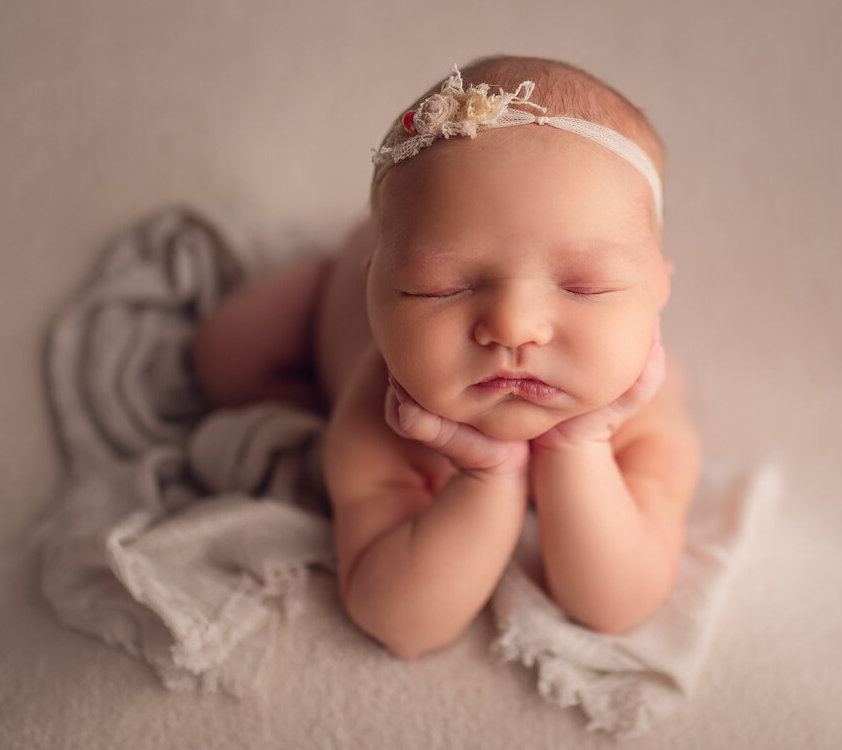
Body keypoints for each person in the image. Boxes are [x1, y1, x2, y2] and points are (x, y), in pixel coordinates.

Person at [191, 56, 700, 659]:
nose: (513, 326)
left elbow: (614, 606)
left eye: (584, 287)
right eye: (439, 287)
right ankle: (328, 289)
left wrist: (579, 447)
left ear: (659, 287)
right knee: (219, 358)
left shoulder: (647, 418)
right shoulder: (378, 418)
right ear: (375, 289)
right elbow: (400, 620)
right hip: (325, 289)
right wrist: (490, 479)